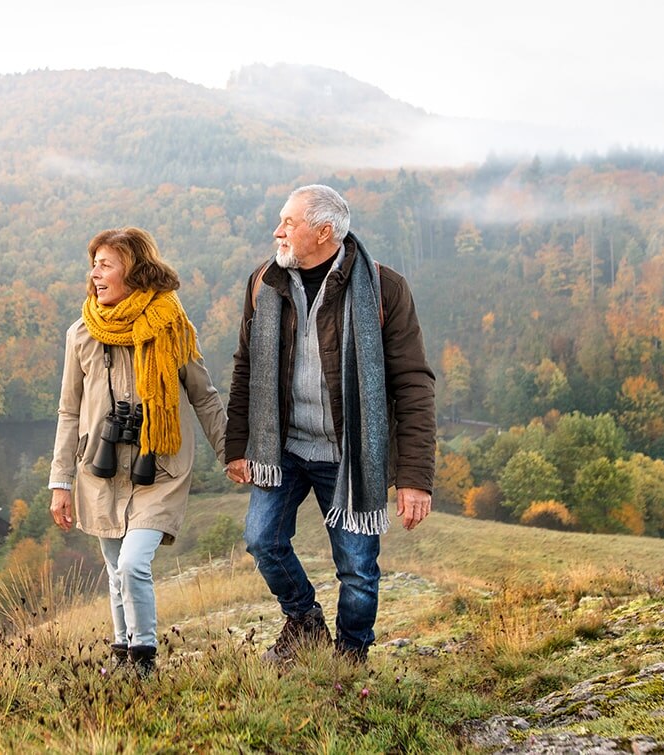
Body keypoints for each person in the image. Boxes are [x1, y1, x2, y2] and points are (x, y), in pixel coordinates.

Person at [224, 184, 436, 665]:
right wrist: (238, 445)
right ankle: (304, 621)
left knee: (358, 569)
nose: (277, 232)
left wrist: (415, 479)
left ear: (324, 233)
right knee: (262, 539)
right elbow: (245, 366)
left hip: (350, 454)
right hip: (284, 447)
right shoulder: (265, 282)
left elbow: (414, 385)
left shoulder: (385, 289)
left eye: (289, 223)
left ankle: (351, 658)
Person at [49, 227, 227, 676]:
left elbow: (204, 396)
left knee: (132, 564)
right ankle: (122, 651)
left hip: (159, 467)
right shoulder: (81, 334)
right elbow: (69, 412)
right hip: (100, 469)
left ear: (134, 270)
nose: (95, 274)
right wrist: (60, 481)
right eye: (93, 264)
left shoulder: (171, 329)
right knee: (114, 569)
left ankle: (143, 658)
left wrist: (231, 453)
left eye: (105, 264)